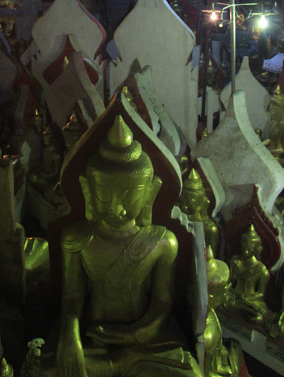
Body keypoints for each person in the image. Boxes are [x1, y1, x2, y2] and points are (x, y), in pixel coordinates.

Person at [56, 115, 201, 377]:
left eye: (130, 195)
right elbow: (72, 298)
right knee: (46, 369)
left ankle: (122, 364)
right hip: (93, 342)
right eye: (103, 194)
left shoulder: (162, 242)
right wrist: (70, 336)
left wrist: (132, 336)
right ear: (88, 191)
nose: (117, 208)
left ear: (150, 193)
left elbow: (162, 304)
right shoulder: (76, 239)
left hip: (144, 343)